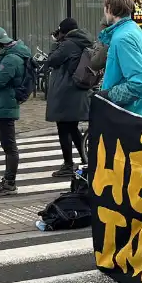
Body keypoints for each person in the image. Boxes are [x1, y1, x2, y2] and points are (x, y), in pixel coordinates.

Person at [0, 27, 31, 196]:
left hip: (4, 107)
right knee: (8, 146)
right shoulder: (8, 56)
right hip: (2, 106)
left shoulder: (11, 59)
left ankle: (9, 182)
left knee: (9, 147)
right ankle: (8, 181)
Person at [45, 18, 93, 176]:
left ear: (63, 31)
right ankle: (86, 159)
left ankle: (68, 164)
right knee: (72, 127)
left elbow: (51, 60)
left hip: (65, 92)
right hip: (77, 91)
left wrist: (55, 42)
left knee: (64, 128)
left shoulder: (67, 44)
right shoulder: (82, 41)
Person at [97, 0, 142, 116]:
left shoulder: (122, 38)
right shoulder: (134, 30)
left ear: (109, 8)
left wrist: (107, 95)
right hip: (132, 113)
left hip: (123, 117)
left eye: (104, 7)